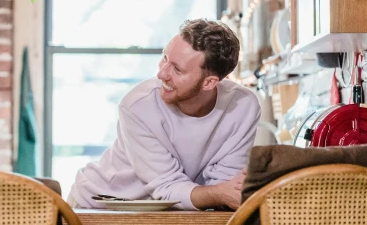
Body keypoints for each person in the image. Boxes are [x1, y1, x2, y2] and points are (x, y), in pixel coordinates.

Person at [69, 19, 260, 211]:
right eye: (165, 58)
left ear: (209, 83)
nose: (162, 74)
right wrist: (218, 193)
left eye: (177, 69)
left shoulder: (243, 107)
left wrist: (222, 192)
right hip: (100, 205)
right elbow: (170, 188)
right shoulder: (137, 107)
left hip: (170, 211)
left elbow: (224, 187)